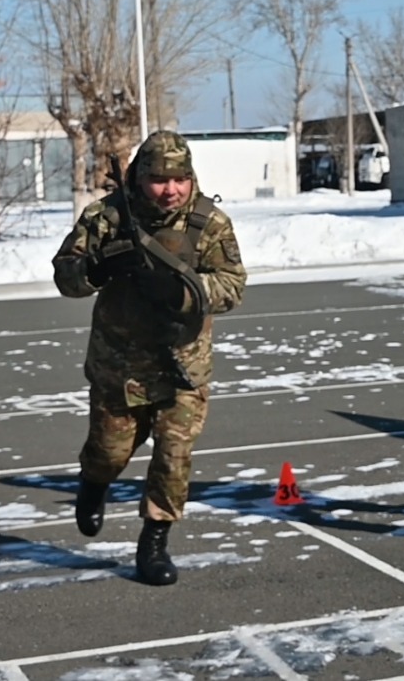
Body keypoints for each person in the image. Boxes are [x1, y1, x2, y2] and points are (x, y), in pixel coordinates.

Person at [52, 130, 246, 585]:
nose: (170, 189)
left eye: (178, 178)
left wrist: (187, 292)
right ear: (140, 176)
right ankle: (94, 482)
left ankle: (154, 541)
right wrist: (95, 269)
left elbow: (233, 285)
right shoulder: (106, 216)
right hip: (119, 364)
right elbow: (65, 275)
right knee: (109, 452)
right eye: (159, 179)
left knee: (174, 456)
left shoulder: (208, 222)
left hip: (183, 364)